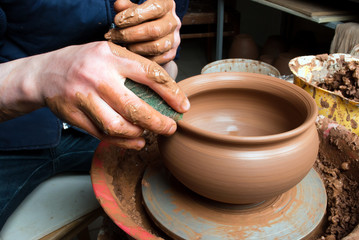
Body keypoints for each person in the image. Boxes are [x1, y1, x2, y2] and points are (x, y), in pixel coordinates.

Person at [0, 0, 189, 230]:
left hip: (114, 121)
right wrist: (39, 76)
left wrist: (161, 55)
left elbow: (167, 69)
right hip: (11, 131)